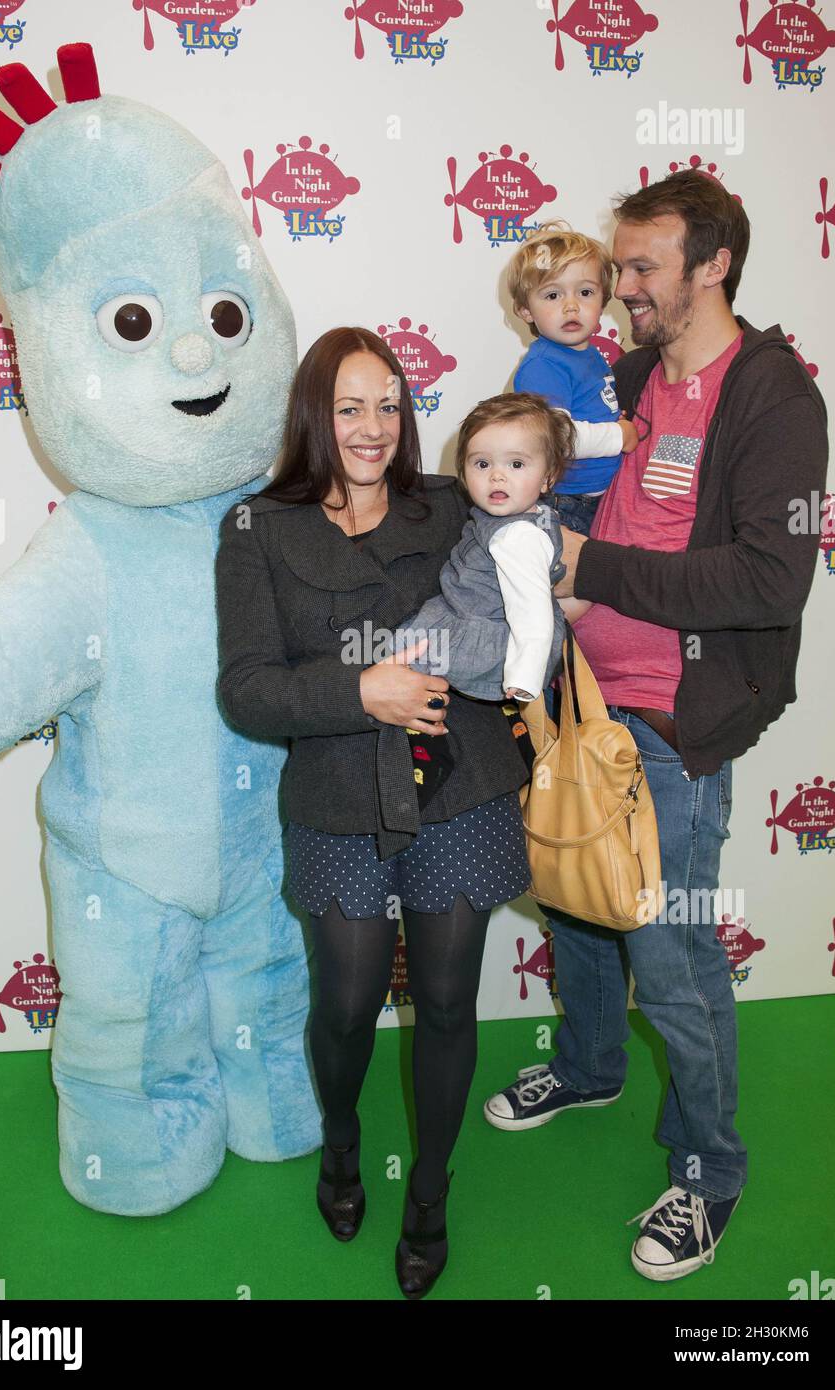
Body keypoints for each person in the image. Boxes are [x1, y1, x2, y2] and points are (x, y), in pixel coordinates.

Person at [485, 170, 828, 1281]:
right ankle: (589, 1066)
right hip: (574, 698)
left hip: (676, 721)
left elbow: (772, 578)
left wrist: (594, 566)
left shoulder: (773, 396)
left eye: (639, 269)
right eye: (615, 266)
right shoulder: (621, 374)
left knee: (670, 953)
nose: (614, 288)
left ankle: (706, 1171)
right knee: (578, 900)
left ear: (710, 265)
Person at [215, 327, 533, 1300]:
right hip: (337, 800)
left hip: (459, 792)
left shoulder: (449, 503)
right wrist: (362, 692)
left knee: (444, 1002)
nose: (371, 425)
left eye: (388, 404)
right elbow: (248, 691)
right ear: (315, 413)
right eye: (350, 405)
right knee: (347, 1005)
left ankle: (428, 1195)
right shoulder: (258, 528)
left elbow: (533, 538)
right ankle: (342, 1147)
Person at [400, 391, 588, 715]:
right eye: (482, 463)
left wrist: (525, 676)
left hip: (482, 634)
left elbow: (533, 613)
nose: (496, 475)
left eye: (516, 464)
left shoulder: (517, 536)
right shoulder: (522, 517)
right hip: (470, 613)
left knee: (395, 658)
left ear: (548, 476)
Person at [508, 220, 639, 537]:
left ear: (603, 300)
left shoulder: (591, 356)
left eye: (585, 292)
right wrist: (618, 436)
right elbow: (558, 437)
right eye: (552, 295)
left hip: (602, 497)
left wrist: (610, 419)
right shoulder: (544, 366)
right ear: (526, 310)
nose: (571, 305)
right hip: (567, 503)